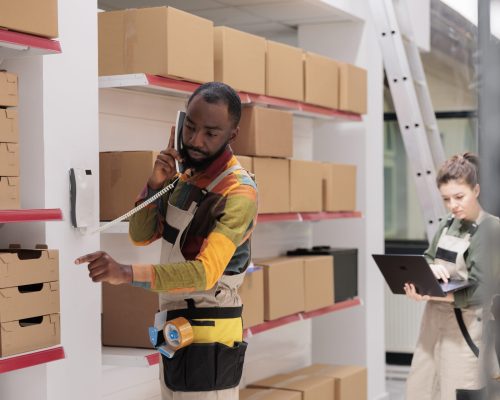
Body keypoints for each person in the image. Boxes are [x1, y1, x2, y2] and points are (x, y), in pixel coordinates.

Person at [75, 82, 258, 399]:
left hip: (210, 338)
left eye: (210, 133)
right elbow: (141, 234)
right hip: (177, 331)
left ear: (232, 134)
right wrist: (155, 181)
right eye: (190, 127)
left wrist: (126, 273)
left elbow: (203, 274)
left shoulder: (238, 193)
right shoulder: (185, 178)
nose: (195, 141)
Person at [404, 152, 499, 399]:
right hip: (432, 323)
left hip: (465, 327)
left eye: (459, 197)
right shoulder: (448, 223)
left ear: (476, 190)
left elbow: (482, 288)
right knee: (422, 389)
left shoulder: (491, 228)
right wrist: (427, 273)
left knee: (455, 392)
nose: (452, 205)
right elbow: (428, 256)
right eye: (446, 199)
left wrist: (436, 293)